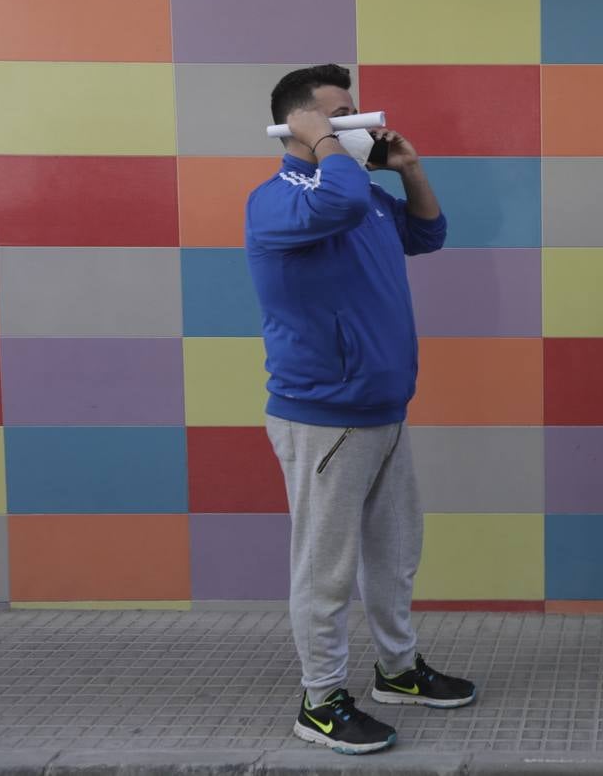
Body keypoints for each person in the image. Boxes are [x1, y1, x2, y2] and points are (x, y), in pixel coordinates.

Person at [246, 64, 475, 755]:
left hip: (382, 410)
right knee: (326, 570)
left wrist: (408, 169)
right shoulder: (277, 200)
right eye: (342, 112)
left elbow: (428, 235)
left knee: (394, 553)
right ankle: (319, 702)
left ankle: (398, 672)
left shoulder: (363, 193)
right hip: (324, 416)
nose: (365, 122)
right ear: (301, 123)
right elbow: (338, 202)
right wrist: (323, 145)